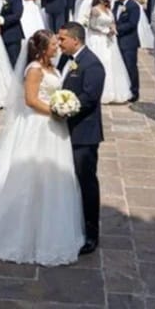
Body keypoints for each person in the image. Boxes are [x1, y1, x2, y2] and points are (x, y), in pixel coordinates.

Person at [0, 30, 84, 265]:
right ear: (42, 49)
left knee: (53, 176)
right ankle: (15, 233)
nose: (57, 47)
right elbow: (30, 100)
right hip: (38, 126)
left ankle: (51, 230)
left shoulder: (53, 67)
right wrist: (56, 111)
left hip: (55, 129)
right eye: (53, 44)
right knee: (29, 176)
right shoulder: (34, 69)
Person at [56, 22, 105, 255]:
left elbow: (89, 97)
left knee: (86, 181)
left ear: (76, 40)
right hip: (66, 130)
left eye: (63, 39)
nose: (59, 43)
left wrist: (65, 107)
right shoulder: (66, 59)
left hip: (83, 133)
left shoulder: (92, 64)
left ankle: (91, 232)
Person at [113, 0, 141, 103]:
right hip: (117, 40)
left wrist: (116, 29)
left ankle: (134, 91)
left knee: (130, 66)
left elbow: (132, 24)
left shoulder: (133, 6)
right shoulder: (116, 4)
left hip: (128, 41)